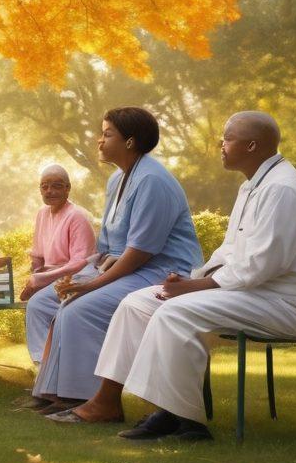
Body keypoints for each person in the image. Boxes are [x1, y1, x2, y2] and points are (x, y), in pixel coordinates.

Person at [66, 111, 296, 441]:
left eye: (228, 139)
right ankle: (111, 402)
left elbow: (262, 265)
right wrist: (190, 280)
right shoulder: (252, 186)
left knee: (175, 311)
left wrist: (197, 287)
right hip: (250, 293)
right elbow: (229, 252)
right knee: (136, 303)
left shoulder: (282, 189)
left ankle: (186, 421)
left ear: (252, 145)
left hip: (284, 303)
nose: (221, 144)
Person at [28, 107, 202, 419]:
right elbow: (108, 247)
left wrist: (91, 285)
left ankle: (89, 398)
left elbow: (140, 253)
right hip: (123, 268)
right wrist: (82, 276)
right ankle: (53, 390)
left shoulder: (152, 181)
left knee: (80, 308)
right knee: (44, 301)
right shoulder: (116, 180)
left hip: (160, 272)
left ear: (130, 142)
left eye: (107, 134)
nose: (100, 140)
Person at [21, 164, 97, 364]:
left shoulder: (77, 216)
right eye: (44, 186)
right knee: (34, 302)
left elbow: (80, 262)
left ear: (68, 188)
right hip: (53, 277)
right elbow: (38, 253)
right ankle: (47, 363)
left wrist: (40, 279)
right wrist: (34, 274)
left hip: (79, 275)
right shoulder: (42, 213)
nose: (50, 191)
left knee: (37, 305)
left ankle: (45, 365)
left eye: (56, 185)